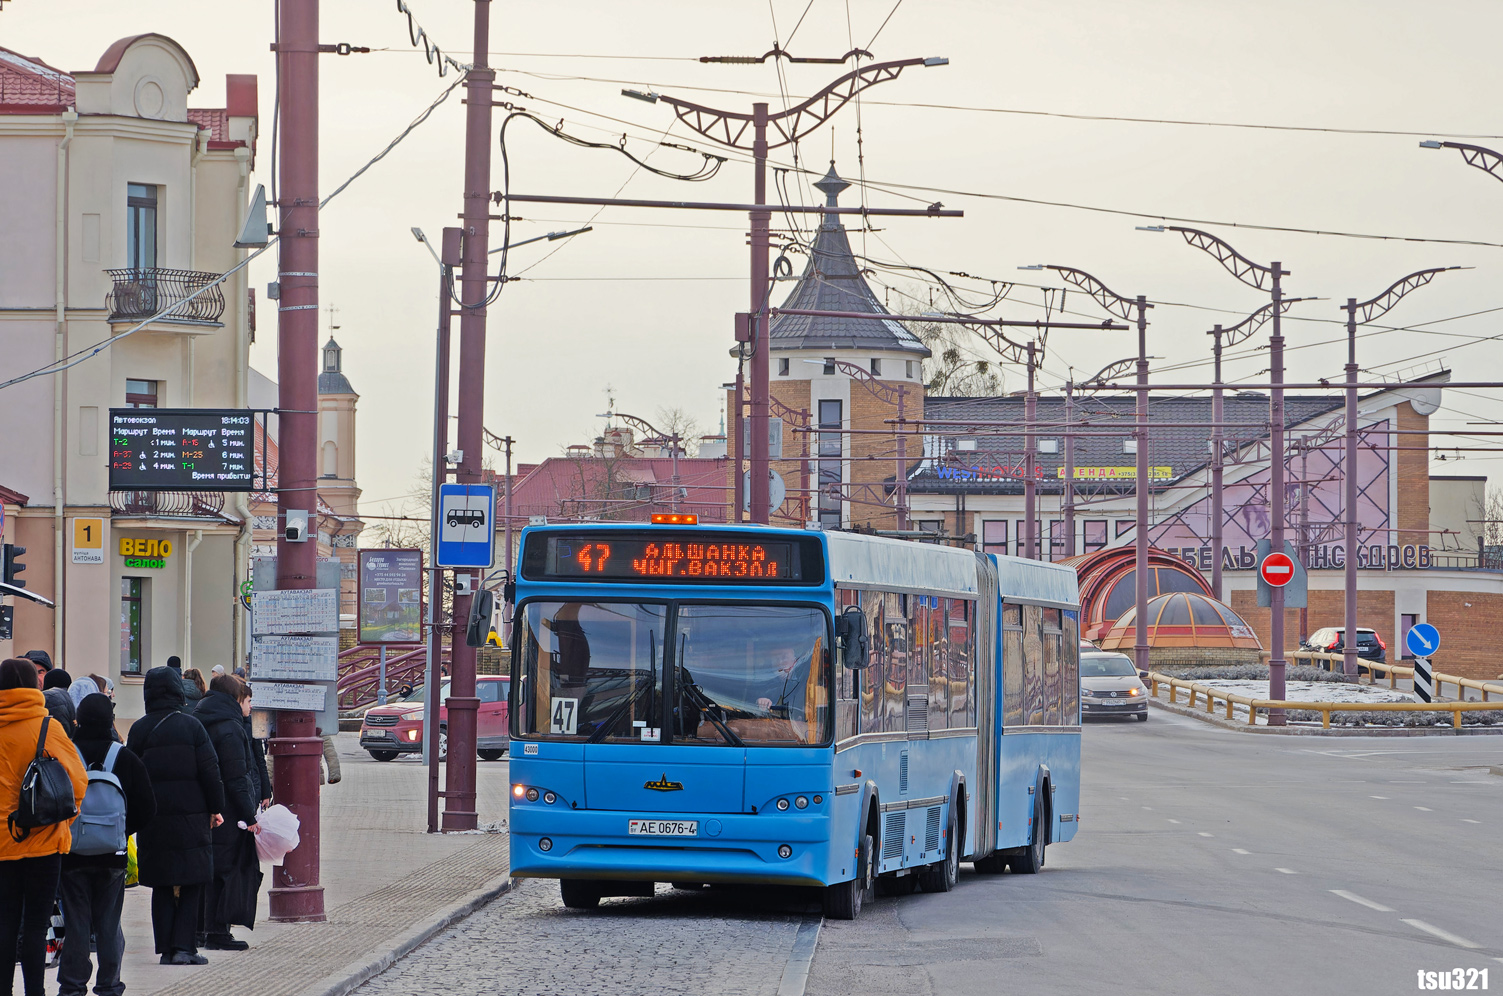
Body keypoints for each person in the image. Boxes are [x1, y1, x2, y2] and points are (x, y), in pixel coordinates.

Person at [125, 667, 224, 966]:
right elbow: (210, 772)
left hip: (154, 819)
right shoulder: (192, 727)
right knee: (192, 880)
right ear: (178, 692)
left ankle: (166, 950)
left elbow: (131, 775)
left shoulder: (139, 729)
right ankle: (185, 947)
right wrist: (216, 808)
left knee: (163, 884)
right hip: (191, 818)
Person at [0, 657, 88, 996]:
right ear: (34, 686)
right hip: (44, 841)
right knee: (36, 925)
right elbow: (78, 783)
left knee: (5, 923)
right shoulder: (46, 727)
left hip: (2, 845)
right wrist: (65, 818)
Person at [58, 693, 155, 996]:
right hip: (112, 856)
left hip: (71, 854)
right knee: (109, 924)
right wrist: (122, 831)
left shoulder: (66, 755)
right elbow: (148, 807)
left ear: (79, 721)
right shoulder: (124, 758)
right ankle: (109, 984)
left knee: (77, 922)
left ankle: (72, 987)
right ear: (110, 722)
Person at [193, 676, 261, 950]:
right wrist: (250, 815)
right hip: (228, 811)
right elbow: (236, 778)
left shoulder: (199, 718)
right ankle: (217, 933)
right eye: (247, 700)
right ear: (235, 700)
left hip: (204, 806)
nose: (250, 706)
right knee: (224, 871)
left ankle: (199, 929)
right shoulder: (231, 729)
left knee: (205, 870)